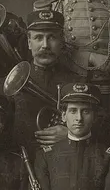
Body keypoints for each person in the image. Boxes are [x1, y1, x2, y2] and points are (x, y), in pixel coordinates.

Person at [7, 9, 78, 152]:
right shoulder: (11, 82)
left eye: (52, 37)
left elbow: (100, 123)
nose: (45, 45)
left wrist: (72, 133)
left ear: (61, 41)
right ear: (29, 42)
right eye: (38, 38)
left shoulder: (76, 81)